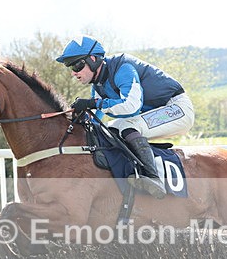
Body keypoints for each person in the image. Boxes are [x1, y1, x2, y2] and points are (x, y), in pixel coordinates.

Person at [56, 35, 194, 199]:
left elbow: (132, 106)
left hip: (177, 108)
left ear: (93, 60)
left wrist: (94, 103)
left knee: (128, 127)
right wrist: (79, 119)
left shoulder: (123, 67)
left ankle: (153, 177)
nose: (74, 72)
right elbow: (96, 122)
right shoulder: (98, 85)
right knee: (109, 130)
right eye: (70, 67)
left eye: (77, 65)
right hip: (158, 112)